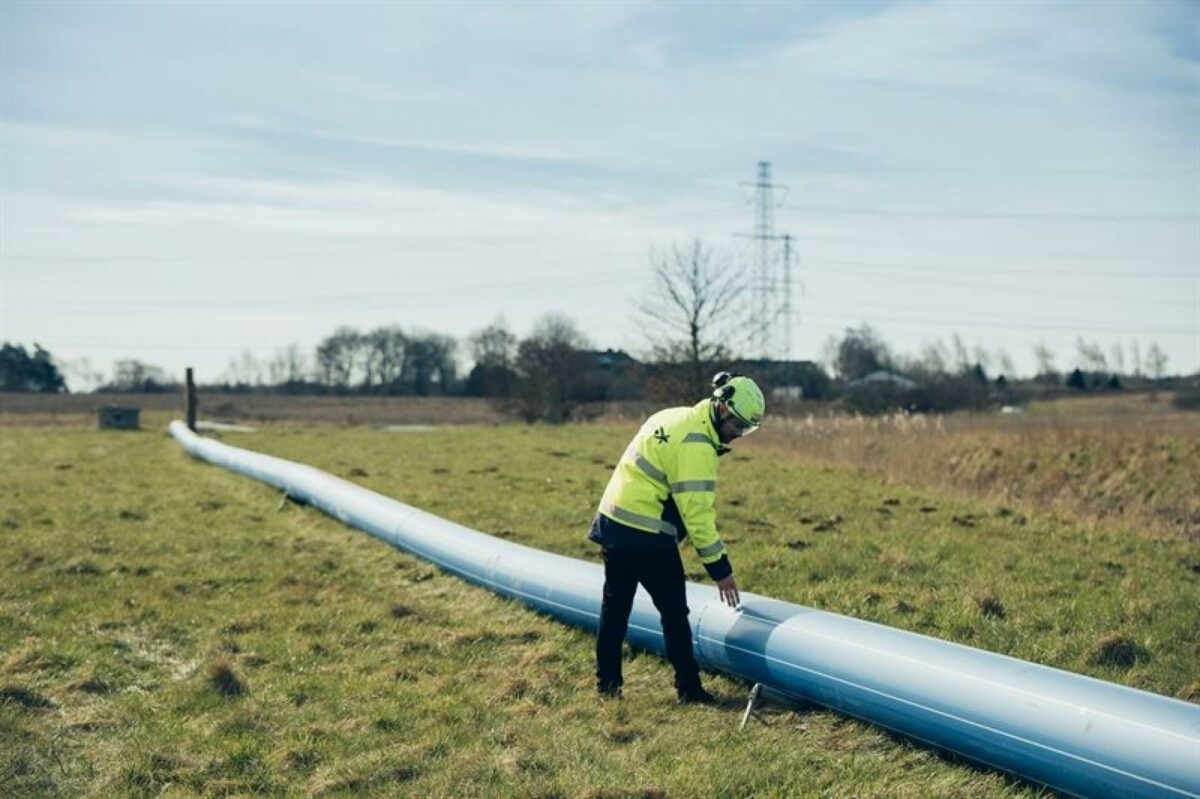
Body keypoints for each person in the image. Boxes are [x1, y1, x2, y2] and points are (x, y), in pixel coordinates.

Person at [588, 371, 765, 703]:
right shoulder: (696, 446)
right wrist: (721, 570)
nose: (739, 435)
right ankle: (690, 689)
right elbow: (698, 517)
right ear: (723, 409)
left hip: (613, 521)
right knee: (674, 613)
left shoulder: (675, 415)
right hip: (645, 533)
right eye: (738, 426)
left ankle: (607, 688)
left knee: (614, 609)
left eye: (747, 429)